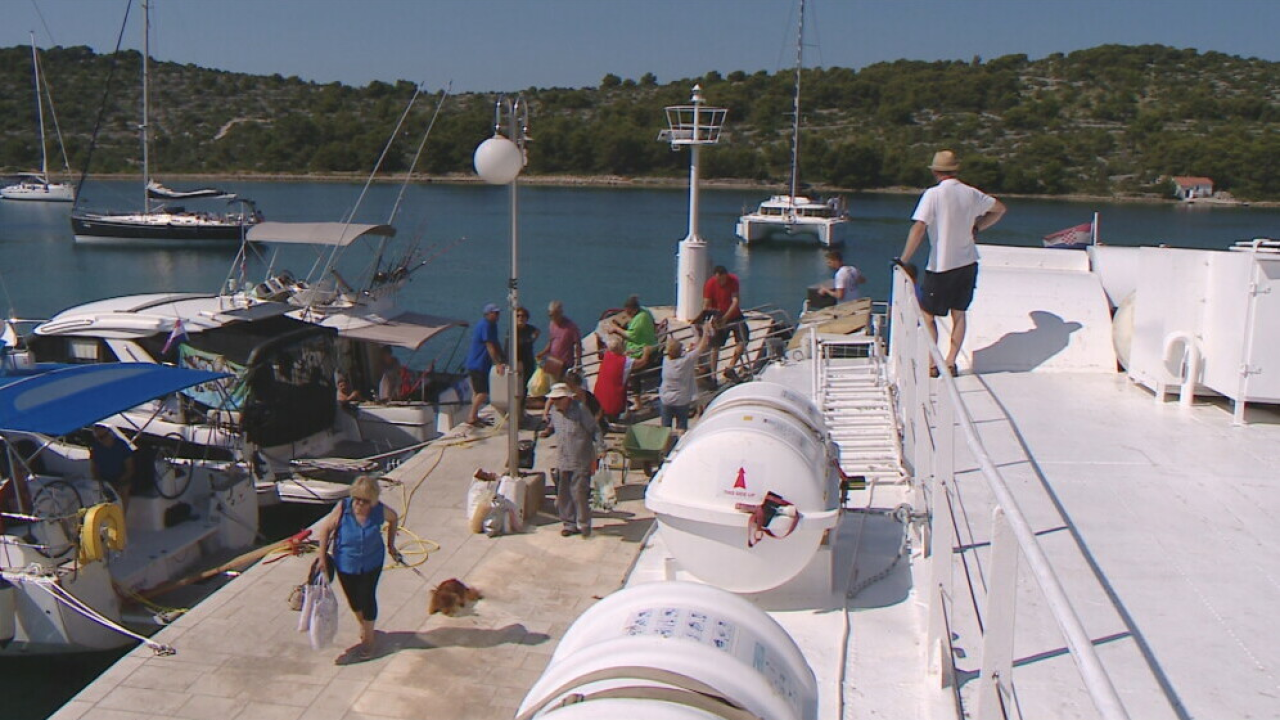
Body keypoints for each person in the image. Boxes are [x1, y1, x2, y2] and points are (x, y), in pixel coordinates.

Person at [900, 149, 1007, 377]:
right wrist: (977, 227)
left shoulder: (933, 194)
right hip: (968, 263)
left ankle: (932, 362)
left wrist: (904, 259)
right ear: (955, 170)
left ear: (935, 171)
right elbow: (999, 209)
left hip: (941, 266)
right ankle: (950, 361)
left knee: (928, 315)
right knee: (959, 314)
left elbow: (919, 228)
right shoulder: (971, 193)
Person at [316, 476, 400, 660]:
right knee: (354, 600)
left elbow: (394, 519)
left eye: (365, 501)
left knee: (368, 597)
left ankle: (369, 640)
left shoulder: (379, 510)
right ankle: (365, 625)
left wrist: (391, 545)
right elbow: (325, 530)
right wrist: (322, 557)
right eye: (357, 499)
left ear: (373, 500)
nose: (360, 504)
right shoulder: (343, 508)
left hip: (372, 560)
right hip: (346, 562)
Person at [540, 383, 602, 538]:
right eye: (553, 399)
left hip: (581, 459)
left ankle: (584, 524)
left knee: (579, 494)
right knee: (564, 494)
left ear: (567, 398)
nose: (555, 402)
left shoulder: (580, 410)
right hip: (563, 459)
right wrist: (547, 430)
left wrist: (601, 448)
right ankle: (569, 524)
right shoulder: (555, 411)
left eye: (559, 399)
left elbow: (594, 429)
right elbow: (554, 426)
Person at [659, 322, 713, 431]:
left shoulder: (666, 361)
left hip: (666, 398)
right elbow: (702, 347)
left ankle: (665, 444)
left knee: (665, 428)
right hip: (681, 399)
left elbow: (679, 353)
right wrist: (706, 331)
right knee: (682, 426)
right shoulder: (686, 361)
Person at [700, 265, 749, 384]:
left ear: (726, 276)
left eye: (722, 279)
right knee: (715, 346)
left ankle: (731, 367)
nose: (720, 282)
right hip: (718, 316)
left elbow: (735, 301)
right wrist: (709, 321)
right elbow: (706, 304)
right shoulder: (710, 284)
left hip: (734, 316)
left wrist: (726, 317)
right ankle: (713, 376)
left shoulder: (733, 280)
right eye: (718, 279)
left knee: (743, 340)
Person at [465, 303, 507, 426]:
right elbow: (490, 346)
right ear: (488, 314)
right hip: (478, 364)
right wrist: (498, 363)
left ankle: (474, 415)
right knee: (483, 392)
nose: (498, 315)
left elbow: (496, 343)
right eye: (495, 313)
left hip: (481, 364)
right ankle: (471, 416)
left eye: (498, 313)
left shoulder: (493, 326)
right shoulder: (485, 325)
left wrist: (503, 356)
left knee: (477, 392)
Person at [90, 425, 135, 510]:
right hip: (104, 480)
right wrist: (99, 482)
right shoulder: (96, 447)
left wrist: (120, 481)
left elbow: (130, 468)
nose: (101, 440)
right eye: (99, 438)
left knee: (124, 491)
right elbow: (93, 468)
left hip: (121, 479)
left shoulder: (121, 445)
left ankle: (121, 518)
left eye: (103, 437)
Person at [537, 300, 582, 381]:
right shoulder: (552, 324)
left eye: (555, 315)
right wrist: (543, 352)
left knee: (564, 386)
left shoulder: (571, 326)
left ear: (560, 313)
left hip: (566, 363)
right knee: (553, 386)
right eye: (550, 315)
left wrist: (578, 363)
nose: (552, 317)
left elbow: (578, 344)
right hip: (553, 361)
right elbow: (551, 341)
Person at [593, 335, 633, 424]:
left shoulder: (607, 355)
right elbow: (642, 362)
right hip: (614, 398)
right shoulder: (625, 361)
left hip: (600, 395)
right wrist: (646, 352)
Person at [505, 306, 540, 391]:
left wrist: (531, 339)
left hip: (528, 362)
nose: (520, 318)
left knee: (528, 386)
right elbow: (507, 348)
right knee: (516, 388)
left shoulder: (530, 329)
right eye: (518, 316)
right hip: (516, 363)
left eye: (523, 316)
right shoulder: (512, 331)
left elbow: (537, 332)